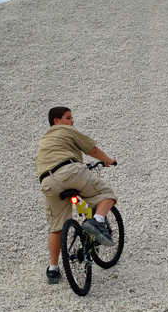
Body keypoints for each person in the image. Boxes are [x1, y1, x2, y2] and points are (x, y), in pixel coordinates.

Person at [36, 107, 118, 284]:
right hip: (70, 172)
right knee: (107, 194)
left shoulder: (44, 139)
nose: (72, 121)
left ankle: (53, 269)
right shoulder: (66, 130)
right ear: (56, 121)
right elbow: (92, 149)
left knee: (56, 226)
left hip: (48, 182)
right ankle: (97, 220)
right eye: (68, 117)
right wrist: (108, 160)